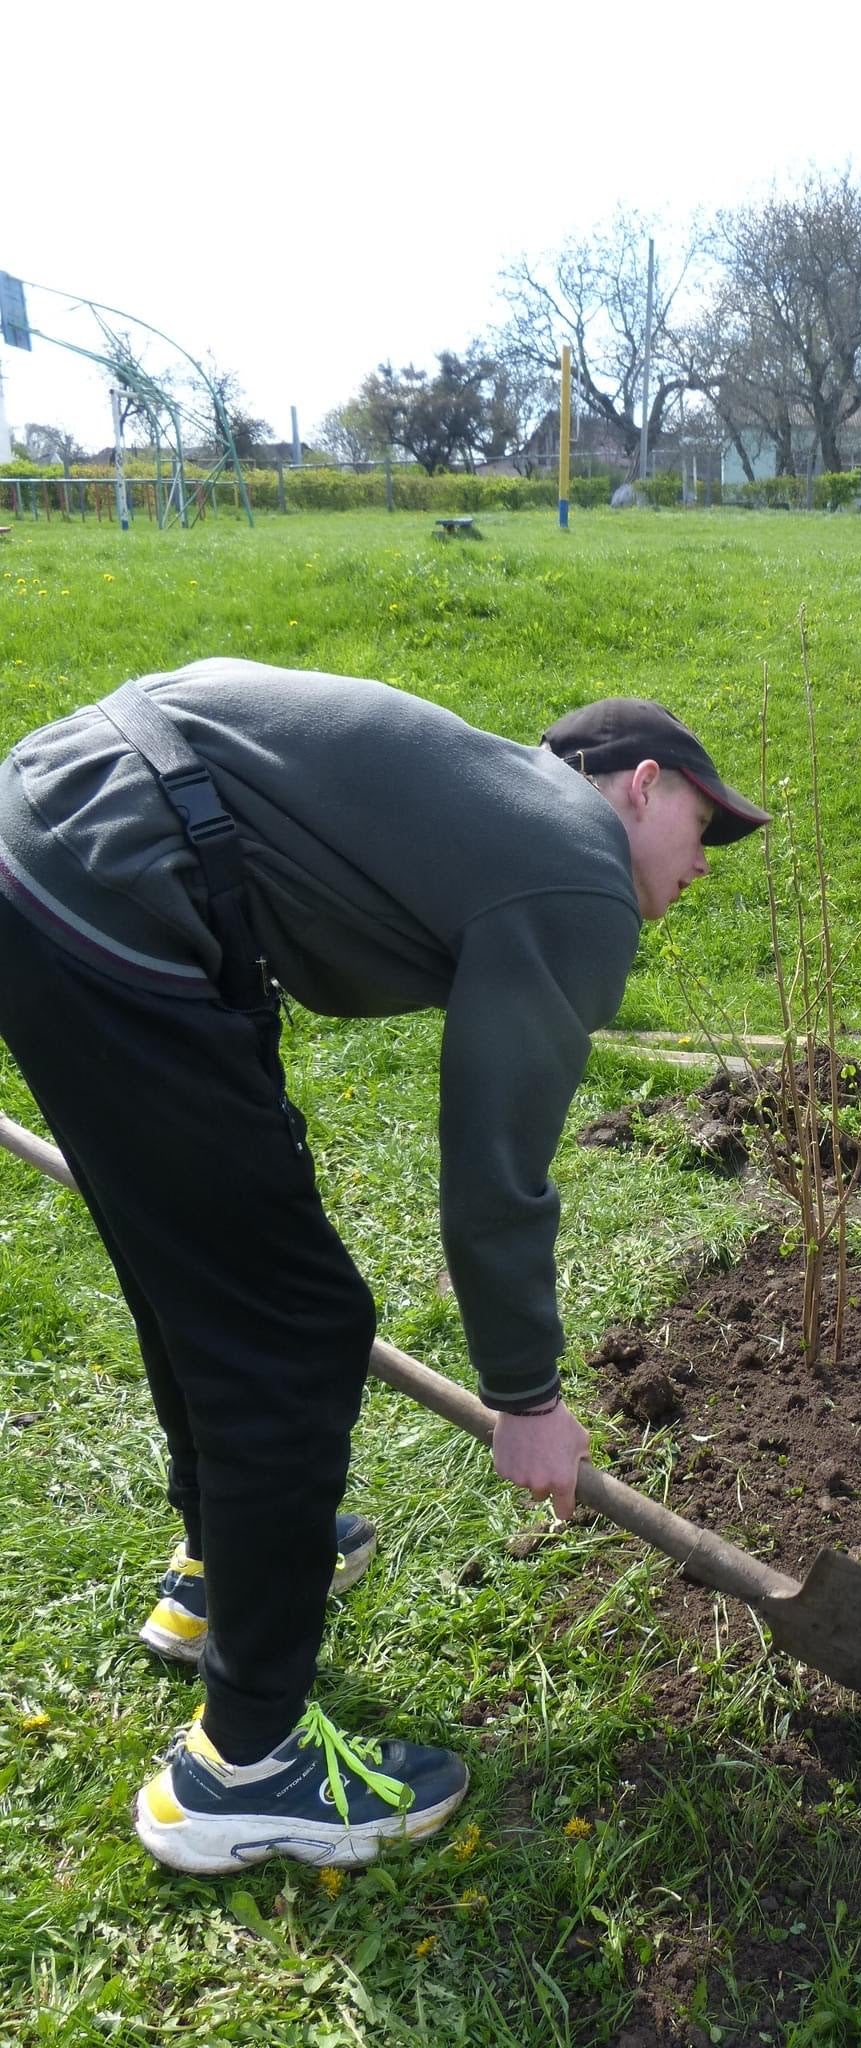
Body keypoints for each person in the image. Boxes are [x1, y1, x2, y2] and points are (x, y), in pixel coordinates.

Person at [0, 660, 768, 1873]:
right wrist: (528, 1396)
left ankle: (218, 1571)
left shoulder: (489, 814)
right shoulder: (579, 866)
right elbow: (496, 1171)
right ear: (639, 785)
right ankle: (241, 1769)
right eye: (704, 821)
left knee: (204, 1262)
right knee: (293, 1325)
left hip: (67, 835)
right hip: (122, 872)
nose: (709, 855)